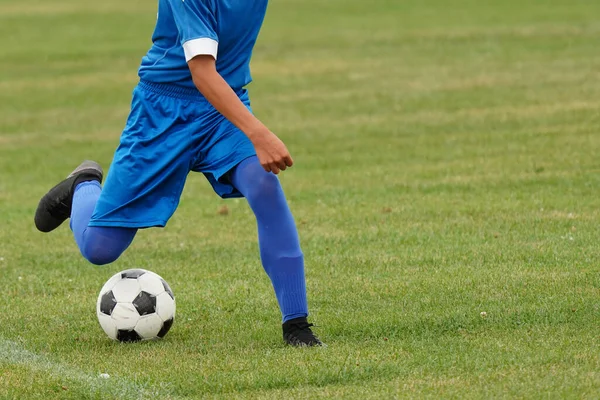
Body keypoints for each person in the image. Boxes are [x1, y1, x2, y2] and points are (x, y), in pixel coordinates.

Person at [34, 0, 322, 347]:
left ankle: (297, 325)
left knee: (264, 185)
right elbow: (202, 72)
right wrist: (259, 134)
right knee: (99, 248)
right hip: (162, 112)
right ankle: (83, 184)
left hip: (223, 110)